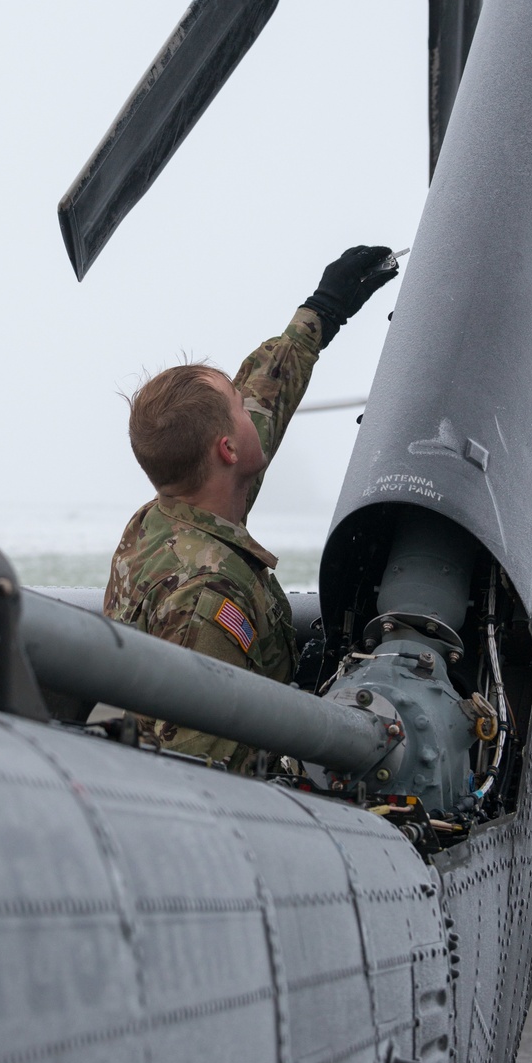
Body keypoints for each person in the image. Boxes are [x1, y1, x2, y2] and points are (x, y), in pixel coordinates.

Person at [104, 245, 398, 770]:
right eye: (236, 407)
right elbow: (198, 774)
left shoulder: (181, 506)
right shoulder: (206, 600)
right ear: (227, 451)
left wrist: (323, 310)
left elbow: (265, 393)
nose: (248, 404)